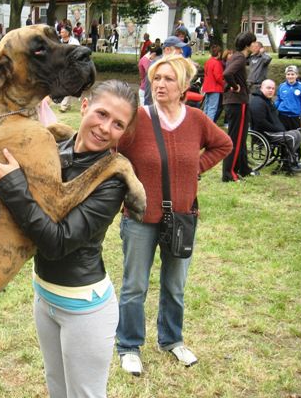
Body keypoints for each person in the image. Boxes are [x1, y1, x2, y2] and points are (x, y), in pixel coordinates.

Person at [0, 80, 139, 397]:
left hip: (84, 310)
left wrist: (10, 185)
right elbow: (18, 205)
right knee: (57, 389)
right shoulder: (54, 148)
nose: (105, 128)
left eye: (118, 124)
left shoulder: (110, 181)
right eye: (102, 113)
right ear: (85, 106)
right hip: (45, 298)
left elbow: (56, 242)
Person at [115, 54, 232, 376]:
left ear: (183, 86)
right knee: (134, 286)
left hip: (182, 218)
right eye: (156, 78)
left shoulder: (196, 120)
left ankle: (171, 339)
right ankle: (128, 345)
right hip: (140, 219)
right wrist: (127, 182)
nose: (160, 84)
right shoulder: (138, 118)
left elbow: (223, 145)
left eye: (167, 79)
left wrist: (196, 168)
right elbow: (113, 153)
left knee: (175, 286)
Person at [221, 31, 257, 183]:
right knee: (235, 139)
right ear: (248, 45)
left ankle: (244, 168)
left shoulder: (237, 56)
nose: (256, 45)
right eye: (254, 42)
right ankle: (229, 174)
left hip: (236, 102)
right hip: (237, 102)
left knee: (241, 138)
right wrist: (235, 87)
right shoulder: (240, 58)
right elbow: (227, 74)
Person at [249, 79, 301, 173]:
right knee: (291, 136)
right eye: (268, 88)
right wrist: (278, 129)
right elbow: (261, 123)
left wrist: (281, 128)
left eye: (273, 88)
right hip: (264, 133)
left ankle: (290, 160)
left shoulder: (267, 101)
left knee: (297, 133)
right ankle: (287, 164)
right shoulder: (257, 102)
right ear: (261, 88)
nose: (271, 90)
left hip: (273, 131)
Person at [275, 65, 301, 165]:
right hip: (282, 117)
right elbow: (278, 100)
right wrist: (273, 110)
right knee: (283, 139)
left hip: (295, 118)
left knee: (296, 139)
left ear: (296, 75)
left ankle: (296, 159)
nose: (290, 76)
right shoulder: (282, 86)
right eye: (288, 74)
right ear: (286, 75)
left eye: (292, 74)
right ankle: (283, 159)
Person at [143, 36, 186, 106]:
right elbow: (149, 91)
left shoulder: (172, 65)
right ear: (167, 50)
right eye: (178, 48)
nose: (182, 51)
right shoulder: (157, 65)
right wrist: (150, 112)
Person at [58, 26, 81, 113]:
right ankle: (67, 104)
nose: (61, 33)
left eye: (63, 32)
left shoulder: (74, 42)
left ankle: (63, 106)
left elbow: (78, 53)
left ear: (67, 33)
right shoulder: (59, 42)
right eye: (60, 32)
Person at [202, 44, 225, 122]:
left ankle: (203, 123)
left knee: (206, 107)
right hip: (215, 88)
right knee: (212, 108)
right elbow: (218, 77)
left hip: (207, 87)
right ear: (219, 53)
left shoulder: (208, 62)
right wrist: (224, 84)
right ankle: (209, 125)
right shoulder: (217, 63)